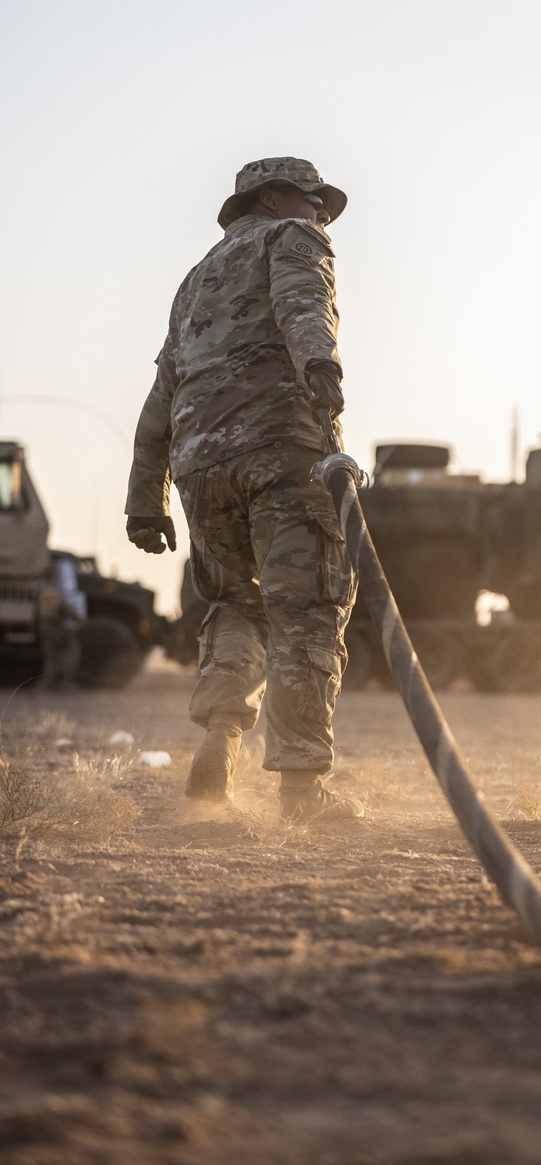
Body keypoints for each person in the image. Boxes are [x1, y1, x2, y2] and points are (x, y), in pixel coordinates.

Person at [125, 157, 363, 823]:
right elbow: (303, 304)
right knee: (308, 606)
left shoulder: (195, 279)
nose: (319, 215)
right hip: (280, 450)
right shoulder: (293, 238)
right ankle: (301, 788)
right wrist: (322, 366)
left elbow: (162, 392)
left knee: (234, 605)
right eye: (313, 200)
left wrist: (145, 497)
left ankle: (220, 737)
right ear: (274, 196)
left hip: (201, 464)